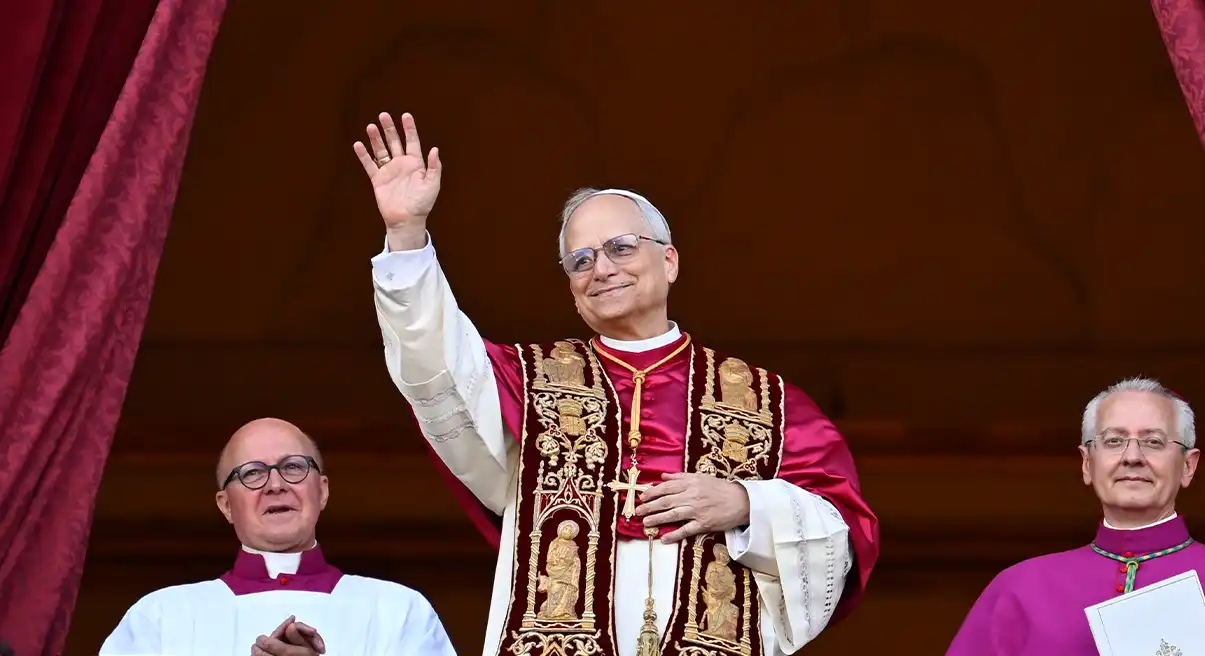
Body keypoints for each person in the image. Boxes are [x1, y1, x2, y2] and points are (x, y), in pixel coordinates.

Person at [355, 111, 880, 656]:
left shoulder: (767, 402)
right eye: (580, 260)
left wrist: (747, 503)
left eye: (622, 247)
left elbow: (843, 535)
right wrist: (405, 234)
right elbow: (433, 363)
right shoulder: (527, 383)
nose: (601, 268)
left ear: (670, 260)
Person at [99, 418, 457, 656]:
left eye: (293, 467)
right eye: (252, 473)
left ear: (323, 491)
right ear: (225, 505)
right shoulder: (160, 618)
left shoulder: (398, 611)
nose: (275, 484)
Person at [946, 377, 1204, 655]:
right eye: (1114, 440)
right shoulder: (1021, 589)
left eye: (1153, 441)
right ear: (1087, 463)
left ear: (1188, 466)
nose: (1132, 457)